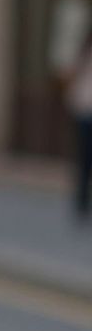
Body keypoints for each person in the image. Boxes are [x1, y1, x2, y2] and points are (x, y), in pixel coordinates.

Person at [63, 24, 92, 222]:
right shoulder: (83, 54)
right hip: (84, 111)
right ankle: (81, 202)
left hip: (83, 109)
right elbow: (71, 75)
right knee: (84, 160)